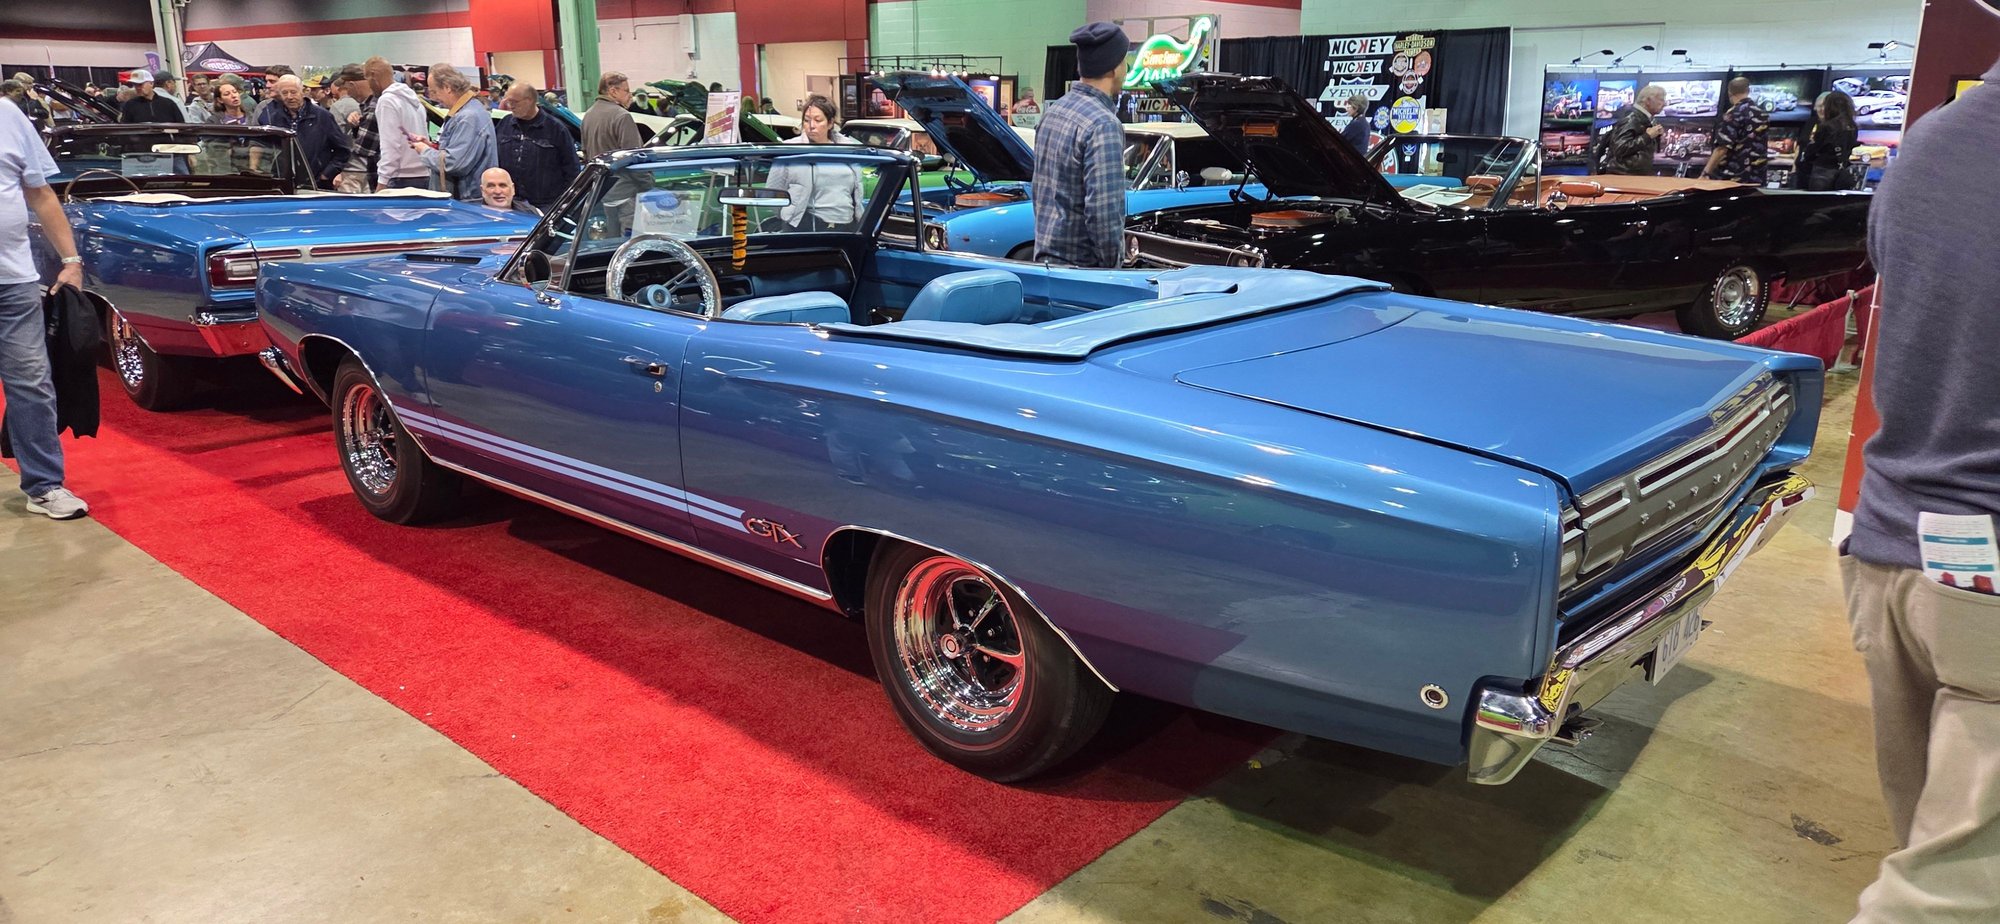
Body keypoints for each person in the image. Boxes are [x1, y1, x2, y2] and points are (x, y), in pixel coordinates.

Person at [1842, 54, 2000, 924]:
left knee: (1927, 837)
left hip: (1894, 545)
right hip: (1986, 576)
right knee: (1951, 894)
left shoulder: (1931, 144)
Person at [0, 99, 88, 519]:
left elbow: (40, 192)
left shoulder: (8, 115)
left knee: (32, 381)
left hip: (13, 279)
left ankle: (44, 485)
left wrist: (71, 261)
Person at [1031, 21, 1130, 267]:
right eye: (1125, 61)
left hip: (1045, 264)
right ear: (1114, 67)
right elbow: (1104, 215)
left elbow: (1040, 193)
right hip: (1082, 272)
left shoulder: (1053, 113)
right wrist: (1113, 269)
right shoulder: (1103, 124)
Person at [770, 97, 861, 230]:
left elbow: (857, 191)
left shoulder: (848, 148)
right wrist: (787, 216)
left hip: (846, 224)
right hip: (803, 225)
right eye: (807, 120)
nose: (811, 126)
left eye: (818, 120)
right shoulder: (789, 149)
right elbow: (774, 191)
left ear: (830, 123)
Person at [410, 63, 496, 201]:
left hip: (467, 202)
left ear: (447, 87)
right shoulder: (468, 111)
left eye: (434, 91)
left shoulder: (468, 117)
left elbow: (454, 164)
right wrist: (433, 147)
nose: (434, 98)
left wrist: (425, 151)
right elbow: (458, 151)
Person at [494, 82, 579, 211]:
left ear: (530, 101)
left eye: (514, 102)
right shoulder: (505, 124)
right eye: (508, 102)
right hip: (510, 202)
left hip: (546, 204)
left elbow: (571, 168)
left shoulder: (555, 128)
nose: (510, 106)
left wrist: (565, 203)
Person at [258, 75, 352, 189]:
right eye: (285, 93)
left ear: (302, 92)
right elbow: (265, 149)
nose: (289, 97)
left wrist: (327, 174)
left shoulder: (322, 116)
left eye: (293, 92)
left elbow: (343, 150)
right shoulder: (273, 118)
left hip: (317, 184)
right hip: (283, 183)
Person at [368, 58, 432, 191]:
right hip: (424, 174)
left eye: (366, 78)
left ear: (373, 76)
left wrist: (382, 182)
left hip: (400, 178)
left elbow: (390, 145)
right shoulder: (415, 100)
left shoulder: (387, 101)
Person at [1704, 76, 1769, 185]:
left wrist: (1705, 173)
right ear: (1748, 90)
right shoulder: (1763, 114)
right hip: (1757, 178)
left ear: (1729, 92)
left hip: (1733, 178)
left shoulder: (1733, 114)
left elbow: (1722, 148)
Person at [1794, 90, 1859, 191]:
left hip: (1822, 173)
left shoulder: (1826, 127)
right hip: (1840, 173)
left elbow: (1812, 152)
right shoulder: (1852, 127)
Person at [332, 64, 378, 194]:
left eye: (347, 89)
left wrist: (337, 169)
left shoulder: (374, 106)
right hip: (371, 171)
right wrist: (356, 127)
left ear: (352, 85)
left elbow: (361, 148)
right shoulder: (366, 106)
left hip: (353, 170)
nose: (348, 94)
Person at [1600, 84, 1666, 175]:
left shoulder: (1645, 118)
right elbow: (1620, 148)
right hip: (1624, 176)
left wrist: (1657, 137)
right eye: (1661, 100)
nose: (1664, 104)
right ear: (1648, 101)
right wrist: (1647, 136)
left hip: (1634, 175)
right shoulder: (1631, 118)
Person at [583, 71, 642, 160]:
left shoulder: (588, 115)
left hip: (596, 168)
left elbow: (585, 151)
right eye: (626, 91)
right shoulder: (622, 115)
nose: (630, 95)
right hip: (618, 169)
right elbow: (633, 154)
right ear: (613, 91)